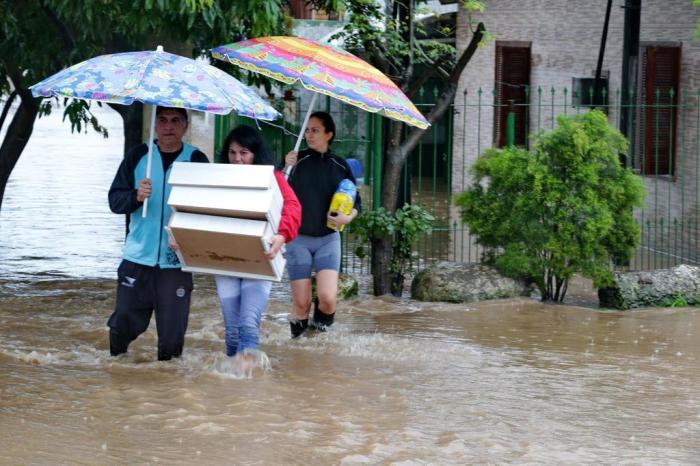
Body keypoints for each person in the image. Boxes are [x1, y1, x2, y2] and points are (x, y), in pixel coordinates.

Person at [107, 106, 209, 361]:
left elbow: (208, 210)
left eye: (175, 120)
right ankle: (117, 373)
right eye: (162, 120)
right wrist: (136, 196)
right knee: (123, 325)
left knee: (172, 340)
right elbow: (115, 201)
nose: (168, 126)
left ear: (186, 126)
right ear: (155, 125)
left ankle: (168, 391)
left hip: (176, 261)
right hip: (137, 257)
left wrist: (189, 239)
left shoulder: (196, 160)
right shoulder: (139, 156)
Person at [212, 125, 301, 368]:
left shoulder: (273, 177)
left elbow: (293, 208)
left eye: (244, 153)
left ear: (255, 153)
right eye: (232, 153)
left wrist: (282, 235)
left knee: (248, 323)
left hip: (260, 258)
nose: (238, 159)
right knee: (231, 329)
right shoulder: (218, 178)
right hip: (225, 260)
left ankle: (246, 383)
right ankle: (235, 384)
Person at [284, 111, 361, 337]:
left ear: (329, 134)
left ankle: (317, 343)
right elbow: (277, 193)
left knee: (327, 299)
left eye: (315, 130)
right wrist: (283, 167)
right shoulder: (296, 161)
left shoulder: (340, 165)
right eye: (307, 130)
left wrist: (348, 218)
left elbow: (356, 200)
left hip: (328, 239)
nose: (309, 134)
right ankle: (299, 347)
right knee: (301, 303)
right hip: (298, 239)